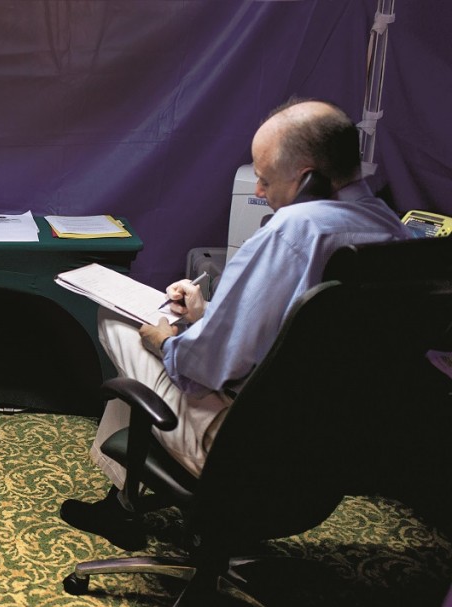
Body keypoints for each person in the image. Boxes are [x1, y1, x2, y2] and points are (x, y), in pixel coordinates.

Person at [60, 98, 412, 549]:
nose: (260, 192)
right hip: (327, 453)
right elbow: (306, 342)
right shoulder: (392, 233)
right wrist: (208, 315)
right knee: (163, 353)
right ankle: (120, 502)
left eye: (264, 179)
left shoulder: (291, 231)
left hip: (240, 448)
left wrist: (167, 338)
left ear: (307, 180)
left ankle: (124, 510)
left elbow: (203, 369)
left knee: (118, 319)